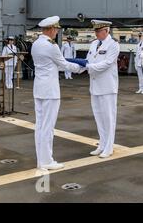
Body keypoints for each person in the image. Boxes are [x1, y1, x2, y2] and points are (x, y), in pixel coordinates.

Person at [31, 16, 83, 170]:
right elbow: (64, 64)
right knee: (48, 127)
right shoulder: (51, 46)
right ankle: (47, 161)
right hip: (50, 91)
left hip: (39, 89)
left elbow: (52, 65)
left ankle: (41, 160)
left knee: (40, 126)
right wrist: (81, 68)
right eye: (56, 29)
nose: (57, 32)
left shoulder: (36, 44)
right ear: (51, 29)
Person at [85, 20, 120, 158]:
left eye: (99, 31)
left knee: (109, 118)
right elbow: (89, 59)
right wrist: (82, 66)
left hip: (107, 86)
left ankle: (109, 147)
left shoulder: (113, 44)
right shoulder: (94, 43)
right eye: (95, 31)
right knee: (99, 117)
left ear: (106, 30)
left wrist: (89, 67)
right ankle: (102, 144)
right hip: (94, 86)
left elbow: (107, 63)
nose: (97, 33)